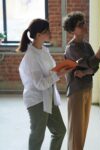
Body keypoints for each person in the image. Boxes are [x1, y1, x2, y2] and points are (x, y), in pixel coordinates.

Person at [63, 11, 100, 150]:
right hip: (76, 92)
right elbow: (92, 62)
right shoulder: (71, 48)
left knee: (83, 129)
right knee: (76, 132)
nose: (84, 25)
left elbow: (94, 66)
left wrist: (86, 72)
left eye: (84, 22)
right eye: (80, 24)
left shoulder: (86, 45)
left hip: (87, 88)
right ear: (73, 30)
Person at [17, 18, 66, 150]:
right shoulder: (30, 57)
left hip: (48, 96)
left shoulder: (44, 50)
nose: (50, 33)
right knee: (37, 136)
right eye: (47, 31)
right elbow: (39, 84)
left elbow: (51, 69)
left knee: (60, 131)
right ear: (38, 35)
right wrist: (57, 75)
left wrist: (60, 70)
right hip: (36, 100)